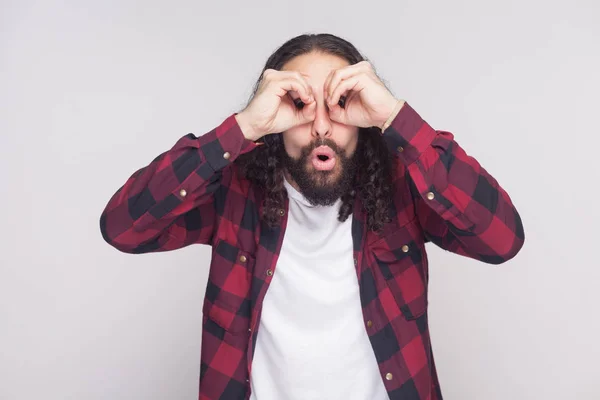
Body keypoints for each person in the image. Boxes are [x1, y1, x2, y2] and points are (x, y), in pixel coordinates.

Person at [100, 33, 524, 400]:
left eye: (340, 103)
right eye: (300, 104)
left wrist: (396, 117)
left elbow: (502, 238)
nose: (321, 126)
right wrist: (242, 127)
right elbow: (122, 227)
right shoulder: (233, 191)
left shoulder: (402, 189)